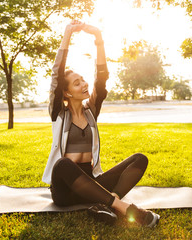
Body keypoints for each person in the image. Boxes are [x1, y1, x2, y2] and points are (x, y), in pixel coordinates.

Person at [41, 20, 160, 227]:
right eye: (77, 83)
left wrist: (99, 39)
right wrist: (67, 36)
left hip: (93, 185)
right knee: (63, 164)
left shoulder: (91, 111)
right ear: (67, 92)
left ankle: (105, 204)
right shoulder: (58, 113)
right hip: (65, 190)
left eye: (83, 80)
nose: (84, 84)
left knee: (139, 159)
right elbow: (56, 76)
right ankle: (123, 208)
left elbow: (101, 79)